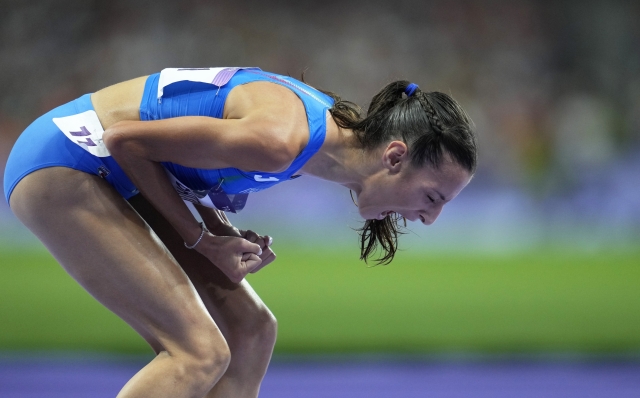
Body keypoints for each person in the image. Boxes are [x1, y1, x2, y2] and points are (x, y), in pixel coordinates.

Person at [3, 67, 477, 398]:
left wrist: (220, 233)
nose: (428, 218)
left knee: (251, 331)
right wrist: (202, 240)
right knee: (198, 354)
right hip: (64, 163)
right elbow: (124, 141)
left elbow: (175, 161)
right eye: (433, 198)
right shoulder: (281, 142)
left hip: (113, 175)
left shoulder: (320, 135)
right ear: (395, 157)